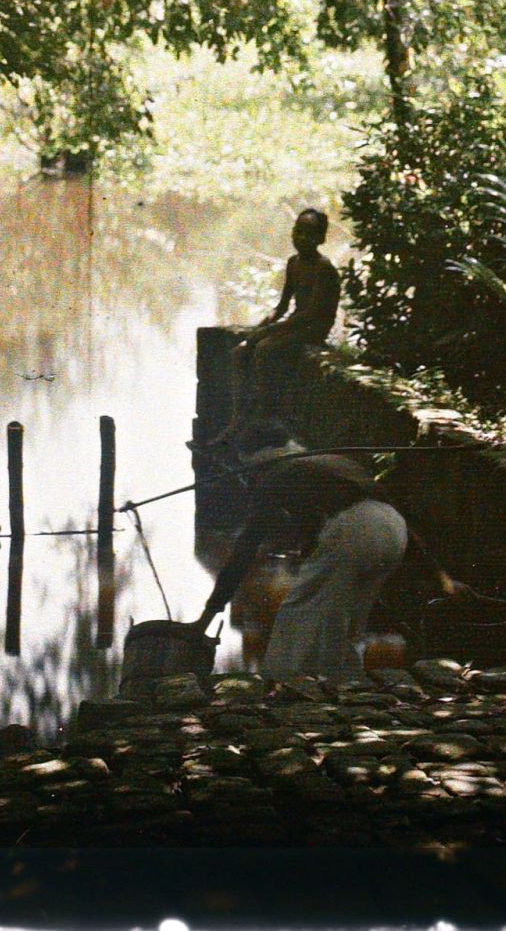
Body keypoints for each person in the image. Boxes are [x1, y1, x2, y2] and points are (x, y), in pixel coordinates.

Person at [192, 431, 473, 681]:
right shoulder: (327, 464)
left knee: (297, 614)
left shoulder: (276, 474)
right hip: (394, 528)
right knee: (344, 623)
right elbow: (376, 521)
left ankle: (280, 685)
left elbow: (245, 548)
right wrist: (441, 578)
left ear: (257, 458)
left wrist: (209, 612)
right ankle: (345, 685)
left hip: (355, 530)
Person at [223, 208, 341, 436]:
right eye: (298, 231)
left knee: (266, 349)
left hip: (314, 328)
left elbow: (310, 313)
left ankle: (266, 415)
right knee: (240, 352)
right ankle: (238, 418)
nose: (301, 238)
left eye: (309, 233)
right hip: (296, 324)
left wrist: (270, 331)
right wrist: (261, 326)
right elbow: (282, 306)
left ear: (321, 239)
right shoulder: (293, 263)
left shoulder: (323, 267)